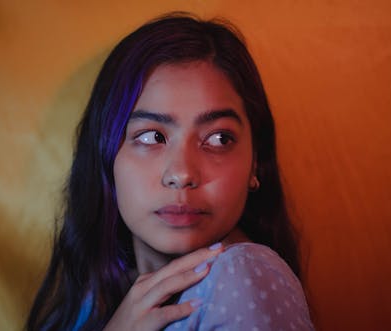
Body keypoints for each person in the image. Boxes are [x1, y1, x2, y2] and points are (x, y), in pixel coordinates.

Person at [27, 12, 315, 331]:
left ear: (255, 160)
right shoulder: (96, 295)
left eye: (218, 139)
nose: (181, 174)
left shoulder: (244, 275)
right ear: (106, 155)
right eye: (152, 137)